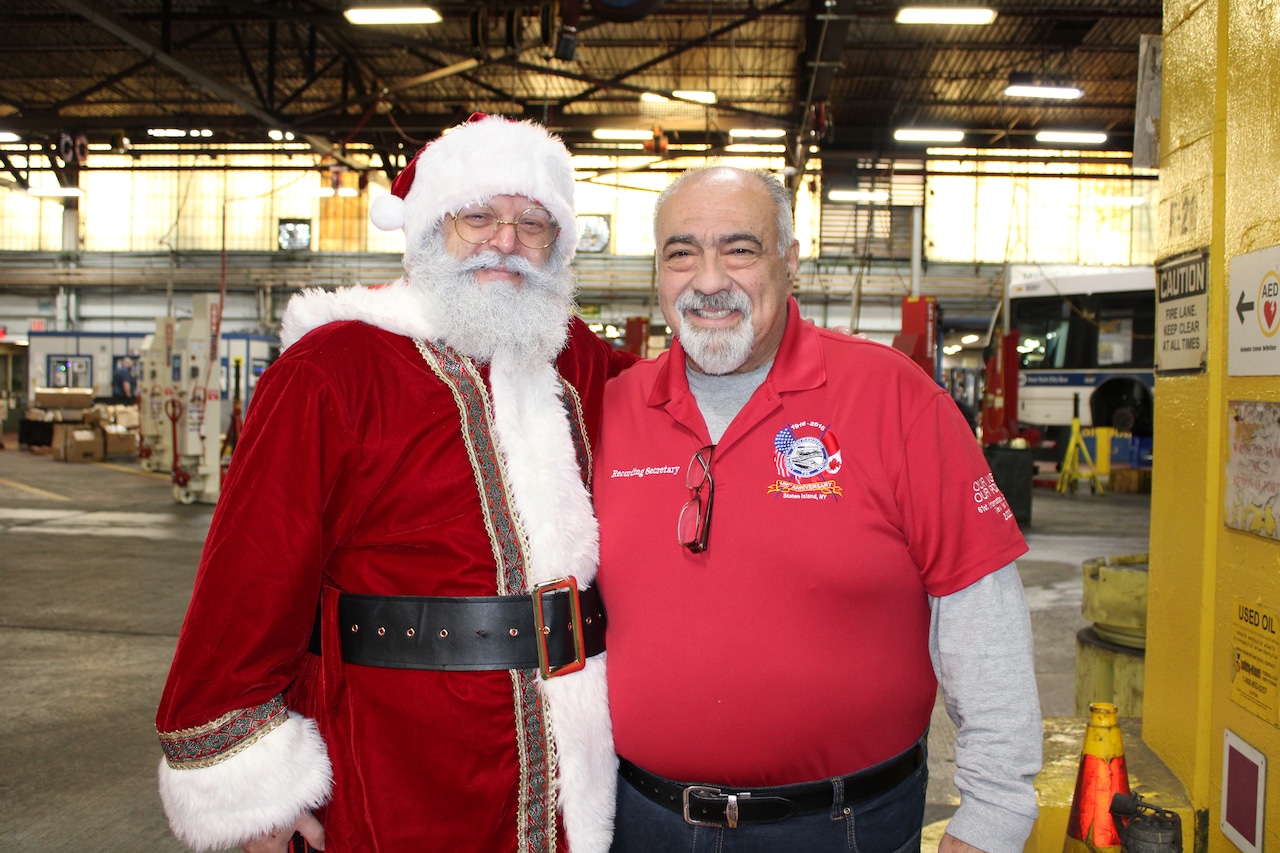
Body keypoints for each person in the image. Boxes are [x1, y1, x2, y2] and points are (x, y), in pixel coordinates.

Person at [155, 115, 633, 853]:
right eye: (477, 217)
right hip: (392, 766)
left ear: (559, 245)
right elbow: (247, 576)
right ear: (427, 230)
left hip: (568, 781)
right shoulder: (333, 368)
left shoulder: (581, 370)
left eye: (531, 224)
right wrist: (252, 794)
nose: (504, 242)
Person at [592, 166, 1042, 853]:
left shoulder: (894, 398)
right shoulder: (613, 410)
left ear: (790, 261)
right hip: (641, 822)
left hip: (843, 827)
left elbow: (983, 612)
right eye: (681, 252)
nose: (709, 280)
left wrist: (994, 817)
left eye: (739, 249)